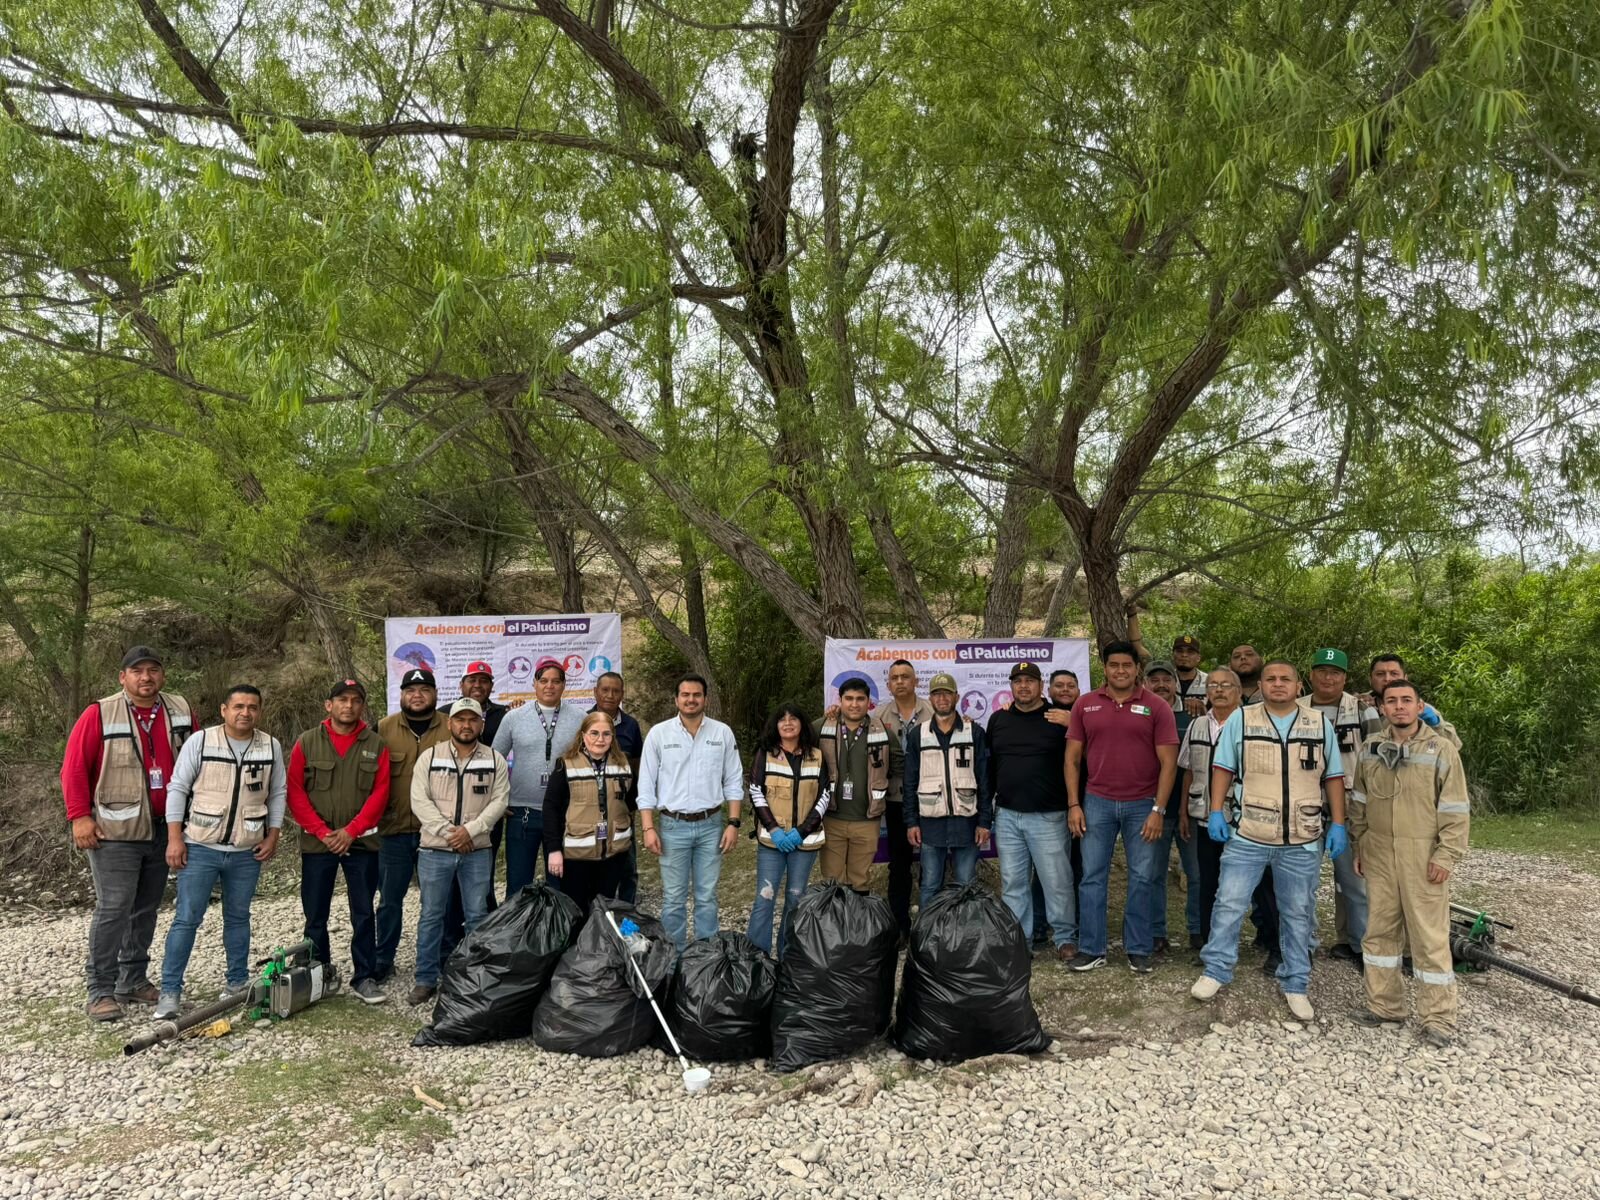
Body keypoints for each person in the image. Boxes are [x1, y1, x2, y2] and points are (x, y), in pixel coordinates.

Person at [1190, 660, 1348, 1021]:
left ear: (1298, 685)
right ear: (1260, 685)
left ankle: (1296, 982)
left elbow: (1334, 776)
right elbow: (1223, 768)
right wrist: (1216, 811)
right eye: (1271, 679)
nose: (1278, 684)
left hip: (1302, 838)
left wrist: (1338, 823)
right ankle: (1216, 970)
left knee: (1297, 912)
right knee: (1229, 903)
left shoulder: (1318, 723)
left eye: (1285, 679)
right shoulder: (1242, 720)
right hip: (1249, 833)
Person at [62, 645, 195, 1022]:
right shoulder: (99, 713)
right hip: (114, 831)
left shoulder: (181, 709)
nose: (146, 677)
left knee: (146, 908)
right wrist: (79, 817)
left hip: (165, 827)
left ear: (162, 675)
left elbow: (198, 760)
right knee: (114, 907)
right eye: (137, 671)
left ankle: (132, 980)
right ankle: (100, 990)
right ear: (123, 677)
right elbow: (74, 768)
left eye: (153, 670)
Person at [1347, 678, 1471, 1047]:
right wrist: (1359, 846)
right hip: (1379, 852)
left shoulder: (1441, 749)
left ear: (1419, 707)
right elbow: (1359, 802)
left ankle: (1438, 1019)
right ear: (1381, 707)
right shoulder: (1371, 748)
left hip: (1423, 855)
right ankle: (1384, 1006)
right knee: (1379, 932)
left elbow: (1455, 808)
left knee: (1428, 937)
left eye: (1406, 700)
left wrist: (1446, 854)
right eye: (1391, 701)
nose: (1399, 706)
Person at [155, 684, 285, 1019]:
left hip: (246, 851)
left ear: (259, 711)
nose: (245, 712)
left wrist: (273, 835)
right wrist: (174, 838)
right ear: (224, 710)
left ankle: (237, 982)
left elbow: (277, 793)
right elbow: (177, 788)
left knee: (239, 917)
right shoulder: (201, 741)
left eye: (252, 707)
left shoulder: (270, 746)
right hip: (200, 847)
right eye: (238, 706)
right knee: (187, 919)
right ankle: (170, 991)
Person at [1066, 642, 1180, 973]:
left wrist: (1158, 810)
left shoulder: (1157, 706)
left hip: (1142, 804)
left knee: (1142, 877)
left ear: (1136, 669)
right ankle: (1092, 948)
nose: (1120, 671)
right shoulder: (1085, 704)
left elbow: (1169, 763)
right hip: (1096, 802)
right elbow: (1072, 759)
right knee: (1092, 876)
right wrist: (1074, 804)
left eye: (1126, 665)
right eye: (1114, 665)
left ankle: (1139, 947)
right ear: (1105, 668)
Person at [286, 678, 392, 1004]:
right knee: (316, 914)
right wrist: (322, 832)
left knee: (363, 913)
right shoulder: (307, 742)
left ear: (362, 706)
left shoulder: (376, 744)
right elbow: (295, 792)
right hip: (319, 844)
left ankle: (364, 977)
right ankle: (319, 975)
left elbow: (381, 793)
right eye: (342, 699)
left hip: (360, 844)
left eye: (355, 700)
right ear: (328, 705)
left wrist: (351, 831)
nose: (349, 705)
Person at [407, 697, 511, 1004]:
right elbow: (419, 800)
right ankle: (425, 979)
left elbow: (500, 801)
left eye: (472, 720)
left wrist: (471, 830)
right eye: (460, 720)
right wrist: (450, 833)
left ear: (481, 724)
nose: (466, 725)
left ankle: (474, 979)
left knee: (477, 916)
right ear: (450, 723)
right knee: (431, 916)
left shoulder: (495, 760)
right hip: (434, 851)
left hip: (476, 851)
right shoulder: (429, 757)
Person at [637, 674, 744, 949]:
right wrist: (648, 828)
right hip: (673, 827)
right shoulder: (659, 734)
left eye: (696, 694)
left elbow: (734, 780)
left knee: (707, 896)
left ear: (705, 699)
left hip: (711, 825)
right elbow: (646, 784)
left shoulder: (722, 733)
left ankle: (705, 957)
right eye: (685, 695)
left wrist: (733, 823)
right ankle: (673, 958)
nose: (691, 699)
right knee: (674, 898)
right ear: (676, 699)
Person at [988, 662, 1079, 962]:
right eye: (1018, 681)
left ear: (1041, 686)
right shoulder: (998, 719)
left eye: (1030, 681)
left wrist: (1073, 725)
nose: (1024, 686)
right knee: (1013, 883)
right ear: (1011, 686)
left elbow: (1082, 758)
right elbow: (990, 766)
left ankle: (1064, 937)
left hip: (1049, 815)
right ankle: (1020, 940)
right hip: (1007, 815)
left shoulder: (1057, 717)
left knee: (1057, 881)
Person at [373, 667, 450, 985]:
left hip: (438, 833)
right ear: (402, 695)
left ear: (435, 694)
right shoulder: (382, 729)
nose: (417, 695)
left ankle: (443, 958)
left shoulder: (451, 727)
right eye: (411, 690)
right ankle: (383, 958)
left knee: (440, 902)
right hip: (395, 832)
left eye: (424, 689)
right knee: (390, 900)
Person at [492, 662, 587, 898]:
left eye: (555, 681)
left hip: (565, 812)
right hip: (522, 812)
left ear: (564, 685)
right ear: (534, 684)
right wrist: (498, 800)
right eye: (543, 681)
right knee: (518, 885)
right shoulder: (513, 718)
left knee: (561, 885)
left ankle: (561, 924)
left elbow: (588, 761)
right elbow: (494, 760)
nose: (549, 686)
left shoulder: (580, 718)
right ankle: (517, 924)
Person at [1299, 648, 1370, 964]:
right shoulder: (1296, 707)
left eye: (1335, 672)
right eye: (1322, 671)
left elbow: (1376, 757)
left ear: (1345, 677)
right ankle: (1304, 945)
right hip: (1306, 804)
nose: (1328, 678)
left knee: (1355, 882)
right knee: (1303, 882)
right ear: (1311, 675)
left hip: (1350, 805)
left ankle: (1361, 945)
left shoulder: (1362, 709)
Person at [746, 704, 830, 956]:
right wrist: (773, 829)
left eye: (793, 718)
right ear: (776, 725)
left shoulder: (817, 755)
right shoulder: (766, 753)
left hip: (804, 842)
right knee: (765, 898)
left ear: (802, 724)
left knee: (795, 899)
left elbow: (825, 795)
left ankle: (787, 957)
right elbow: (755, 791)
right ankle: (757, 958)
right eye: (782, 719)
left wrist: (801, 832)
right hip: (772, 842)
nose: (788, 723)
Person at [904, 673, 992, 906]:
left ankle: (964, 929)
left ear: (957, 697)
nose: (942, 699)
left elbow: (984, 780)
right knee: (930, 885)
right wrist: (911, 822)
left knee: (966, 885)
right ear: (930, 699)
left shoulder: (974, 733)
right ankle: (928, 929)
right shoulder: (918, 735)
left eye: (947, 693)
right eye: (936, 694)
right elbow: (910, 781)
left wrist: (985, 821)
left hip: (967, 822)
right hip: (930, 823)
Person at [545, 710, 638, 920]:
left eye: (606, 734)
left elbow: (632, 801)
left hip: (613, 855)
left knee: (604, 912)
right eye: (594, 733)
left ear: (613, 737)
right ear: (583, 735)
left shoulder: (623, 764)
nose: (600, 739)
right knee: (577, 913)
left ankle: (601, 942)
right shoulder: (565, 764)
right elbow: (551, 808)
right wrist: (554, 850)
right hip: (577, 855)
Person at [817, 677, 893, 894]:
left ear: (869, 702)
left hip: (867, 820)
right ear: (839, 700)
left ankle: (858, 916)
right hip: (832, 818)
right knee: (833, 882)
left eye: (860, 699)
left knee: (860, 881)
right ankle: (835, 917)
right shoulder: (822, 726)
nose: (854, 704)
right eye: (848, 698)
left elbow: (897, 766)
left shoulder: (882, 731)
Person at [1145, 662, 1200, 954]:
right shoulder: (1139, 712)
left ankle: (1198, 930)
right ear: (1145, 684)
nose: (1161, 685)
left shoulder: (1193, 714)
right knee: (1153, 875)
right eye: (1154, 680)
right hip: (1152, 809)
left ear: (1176, 684)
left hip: (1191, 809)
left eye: (1167, 679)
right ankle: (1156, 933)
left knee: (1197, 874)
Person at [874, 659, 932, 940]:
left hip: (931, 798)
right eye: (894, 677)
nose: (900, 681)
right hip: (896, 799)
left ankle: (933, 925)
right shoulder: (878, 716)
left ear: (916, 681)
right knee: (899, 864)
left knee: (934, 861)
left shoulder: (932, 711)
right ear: (888, 684)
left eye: (905, 676)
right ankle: (899, 926)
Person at [455, 661, 509, 915]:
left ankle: (484, 920)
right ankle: (454, 924)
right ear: (461, 685)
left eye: (484, 680)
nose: (478, 685)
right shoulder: (446, 714)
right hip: (455, 808)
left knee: (484, 868)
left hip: (491, 808)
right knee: (452, 869)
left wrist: (504, 800)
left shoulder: (505, 715)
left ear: (491, 686)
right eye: (472, 680)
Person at [591, 671, 644, 903]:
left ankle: (626, 912)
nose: (610, 695)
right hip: (589, 808)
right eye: (605, 690)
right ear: (595, 692)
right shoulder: (584, 721)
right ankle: (596, 913)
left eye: (616, 691)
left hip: (623, 807)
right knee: (593, 863)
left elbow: (638, 767)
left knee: (627, 867)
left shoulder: (631, 726)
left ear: (622, 694)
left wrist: (633, 804)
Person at [1361, 654, 1462, 747]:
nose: (1387, 679)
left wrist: (1435, 724)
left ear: (1405, 678)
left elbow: (1455, 745)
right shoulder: (1359, 704)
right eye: (1380, 674)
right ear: (1370, 679)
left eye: (1394, 673)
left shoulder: (1418, 707)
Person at [1172, 636, 1208, 717]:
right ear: (1173, 655)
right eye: (1180, 651)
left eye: (1190, 652)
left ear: (1198, 658)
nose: (1184, 655)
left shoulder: (1209, 681)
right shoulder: (1164, 681)